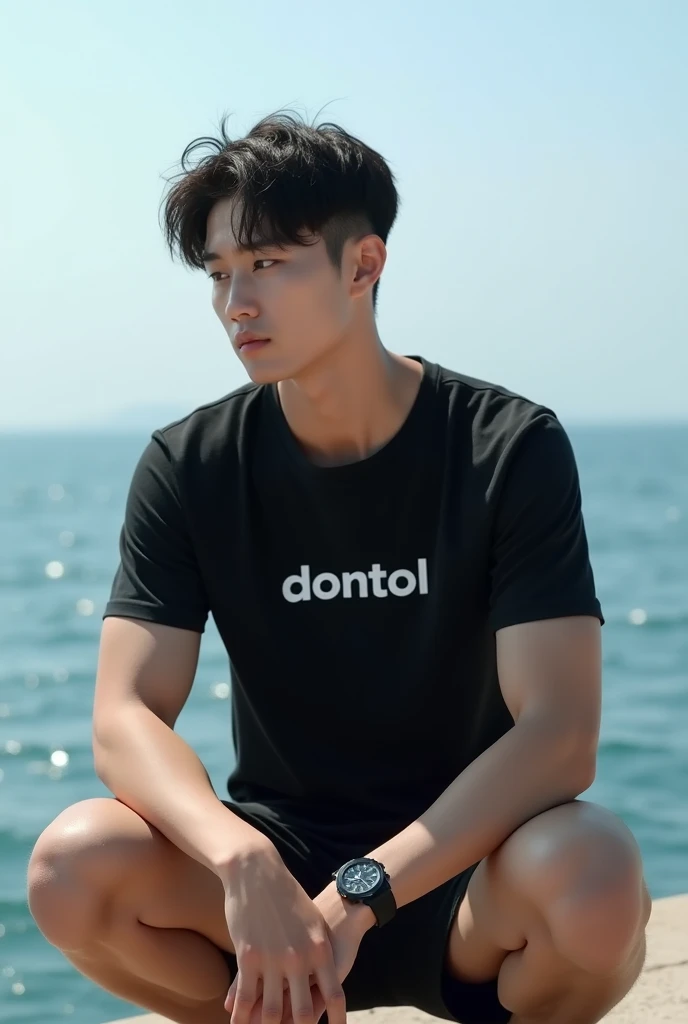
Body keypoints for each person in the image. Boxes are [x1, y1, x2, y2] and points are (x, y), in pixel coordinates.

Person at [28, 110, 651, 1024]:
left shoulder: (505, 446)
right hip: (274, 876)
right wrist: (243, 862)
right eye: (219, 273)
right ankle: (275, 1011)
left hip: (465, 871)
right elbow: (123, 717)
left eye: (269, 264)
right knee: (70, 865)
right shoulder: (190, 464)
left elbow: (560, 732)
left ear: (364, 266)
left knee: (597, 876)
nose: (237, 302)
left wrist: (366, 890)